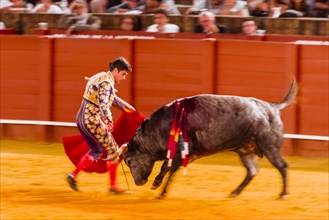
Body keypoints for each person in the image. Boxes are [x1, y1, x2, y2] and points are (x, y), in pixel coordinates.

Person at [66, 57, 135, 193]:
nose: (124, 78)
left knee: (97, 150)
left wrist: (127, 107)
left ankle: (73, 176)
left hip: (81, 118)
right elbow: (103, 102)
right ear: (115, 70)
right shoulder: (107, 83)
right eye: (123, 74)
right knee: (114, 151)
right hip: (92, 119)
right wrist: (108, 120)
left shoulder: (100, 77)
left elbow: (112, 99)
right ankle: (113, 187)